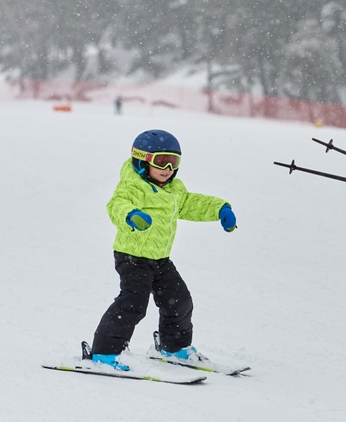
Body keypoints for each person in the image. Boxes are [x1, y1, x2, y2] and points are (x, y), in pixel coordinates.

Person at [89, 129, 238, 370]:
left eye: (173, 161)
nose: (167, 168)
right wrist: (131, 215)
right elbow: (116, 204)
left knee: (179, 301)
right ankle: (104, 353)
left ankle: (173, 347)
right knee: (133, 304)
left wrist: (220, 209)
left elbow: (191, 203)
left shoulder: (173, 189)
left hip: (160, 259)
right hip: (132, 257)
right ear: (142, 160)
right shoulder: (133, 186)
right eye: (161, 161)